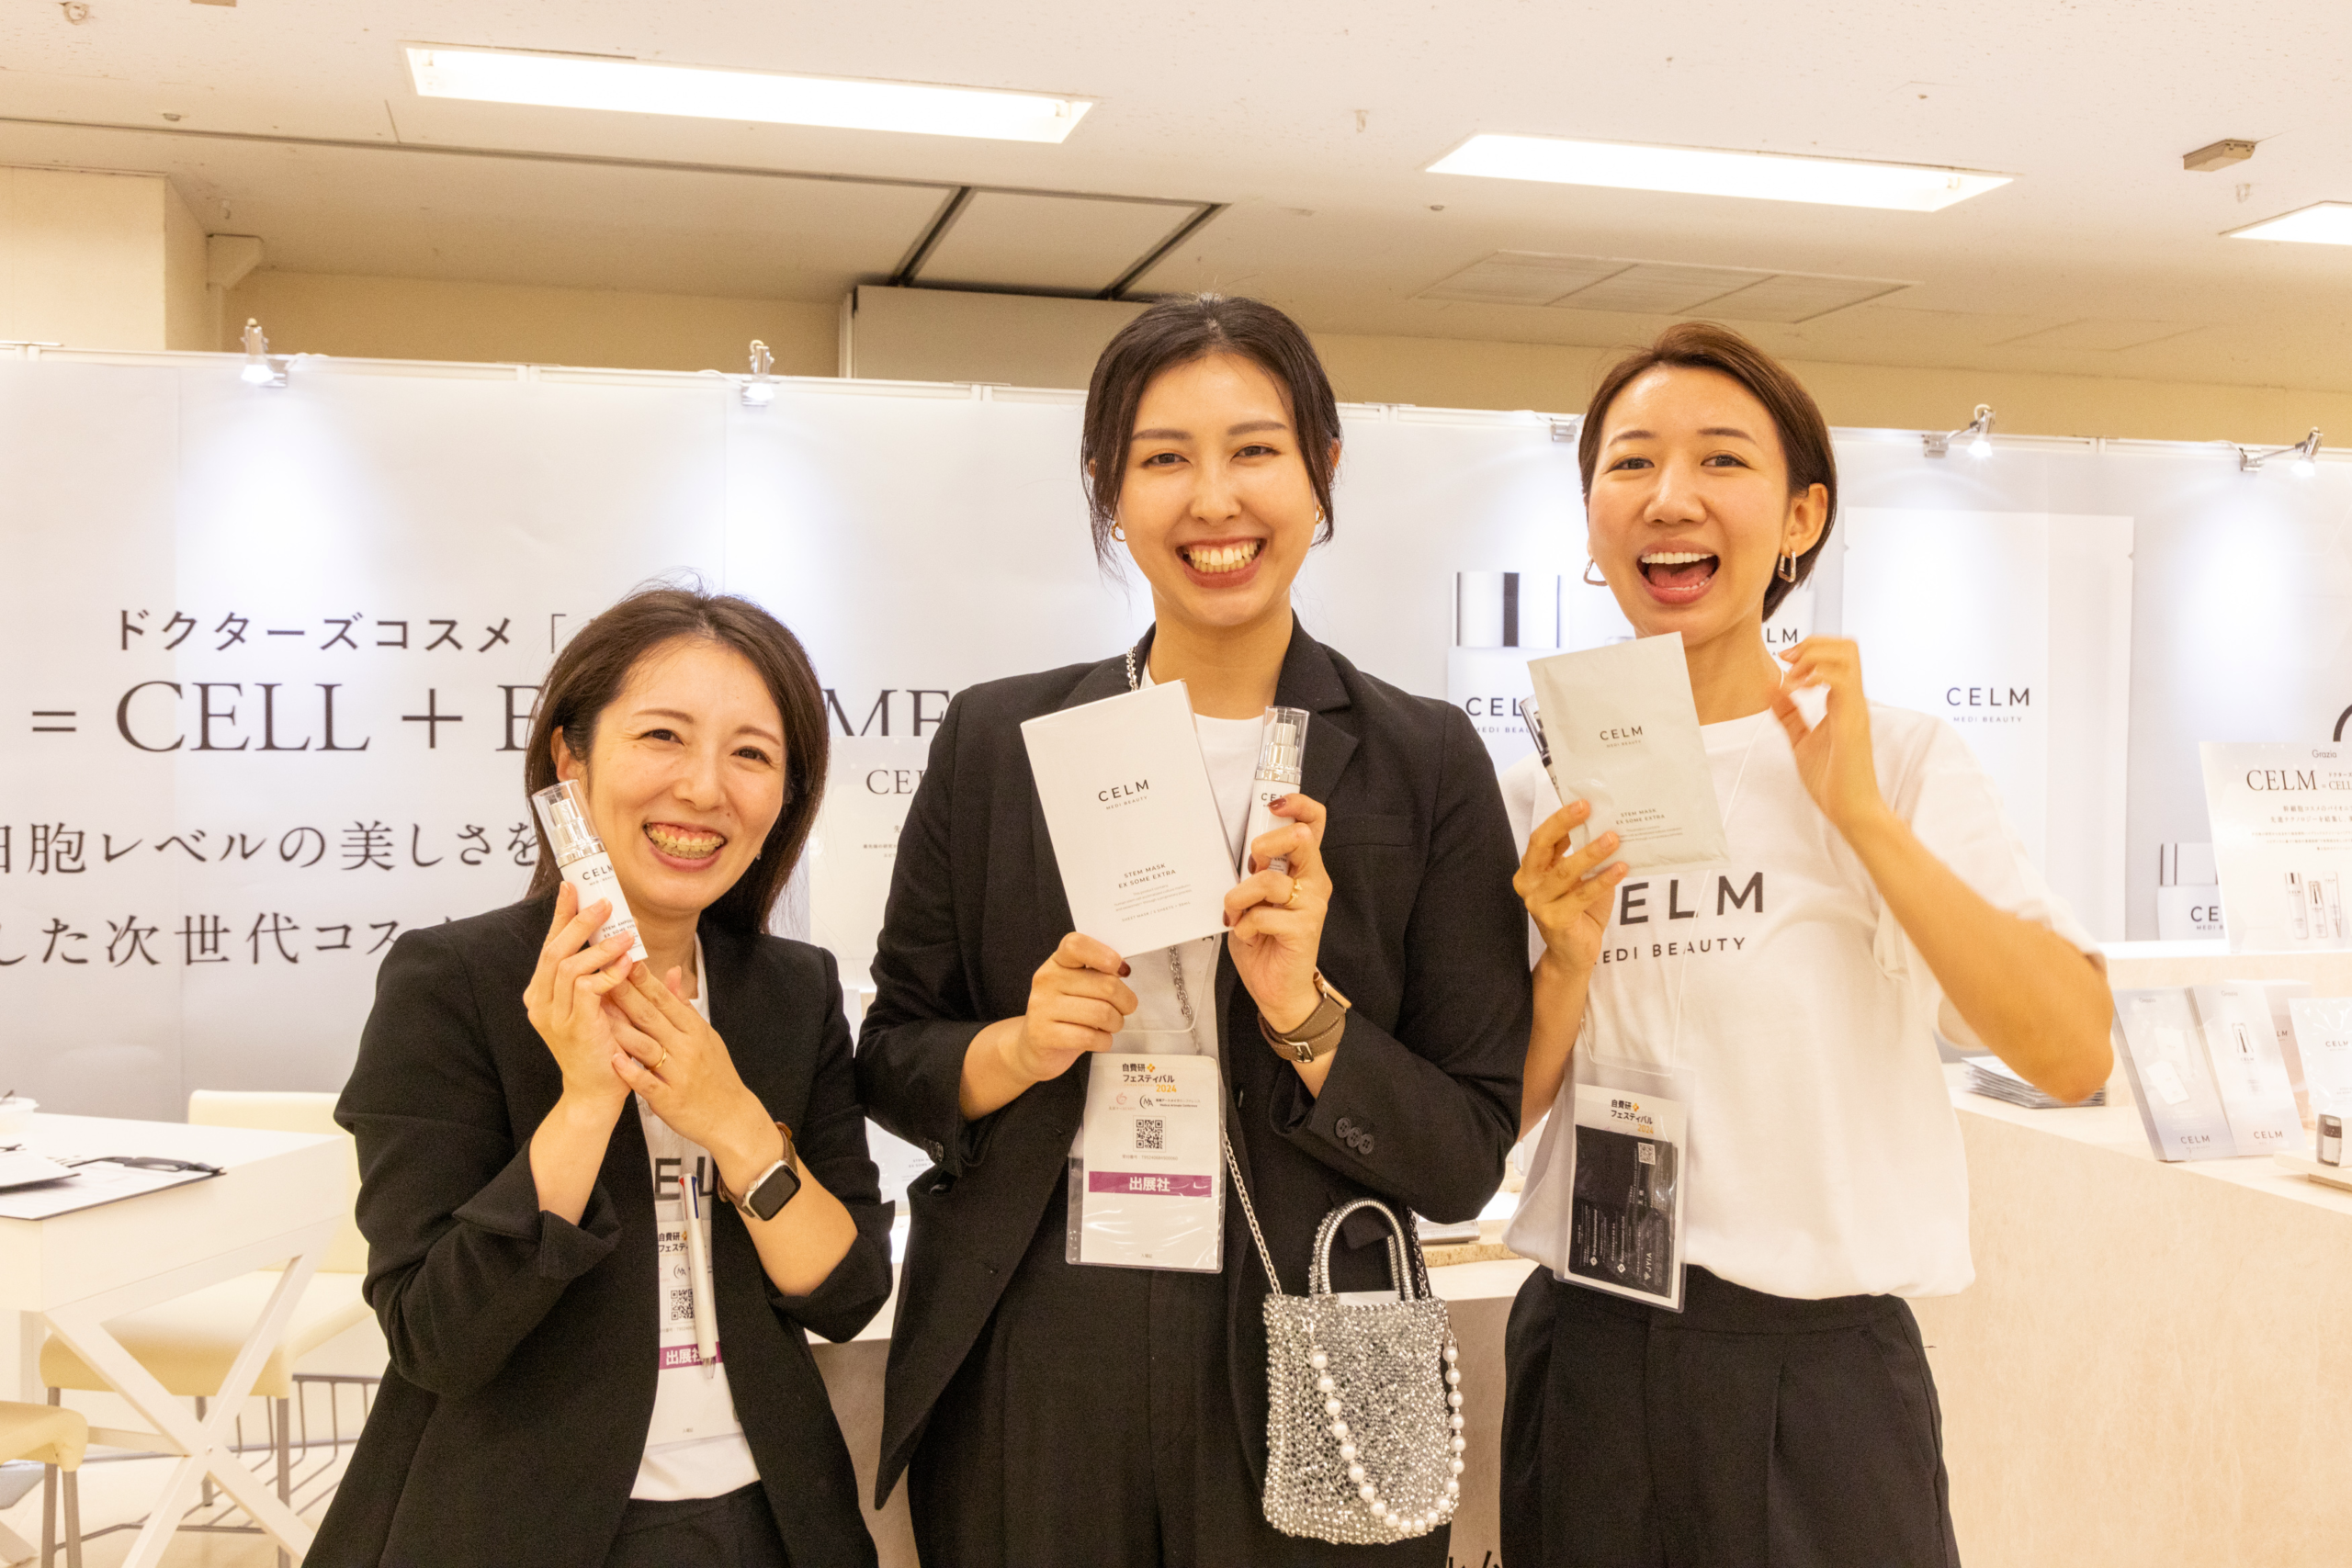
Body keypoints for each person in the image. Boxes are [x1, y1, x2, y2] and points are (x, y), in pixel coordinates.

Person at [855, 294, 1531, 1567]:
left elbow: (1462, 1157)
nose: (1214, 499)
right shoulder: (1002, 742)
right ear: (1109, 490)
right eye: (1163, 457)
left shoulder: (1426, 759)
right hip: (1042, 1333)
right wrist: (1016, 1046)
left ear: (1322, 470)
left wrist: (1307, 1017)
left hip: (1313, 1328)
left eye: (1256, 449)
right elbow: (893, 1052)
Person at [1498, 322, 2114, 1567]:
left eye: (1722, 460)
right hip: (1591, 1349)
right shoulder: (1540, 792)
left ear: (1800, 517)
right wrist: (1562, 963)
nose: (1670, 497)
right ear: (1591, 520)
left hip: (1816, 1378)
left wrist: (1862, 819)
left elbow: (2072, 1051)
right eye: (1630, 463)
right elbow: (1487, 1120)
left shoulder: (1898, 758)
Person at [313, 586, 894, 1568]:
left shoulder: (792, 990)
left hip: (772, 1516)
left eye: (752, 754)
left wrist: (733, 1122)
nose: (704, 789)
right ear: (569, 762)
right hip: (518, 1519)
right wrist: (586, 1102)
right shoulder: (453, 982)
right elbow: (437, 1339)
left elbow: (846, 1294)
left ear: (785, 799)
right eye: (663, 736)